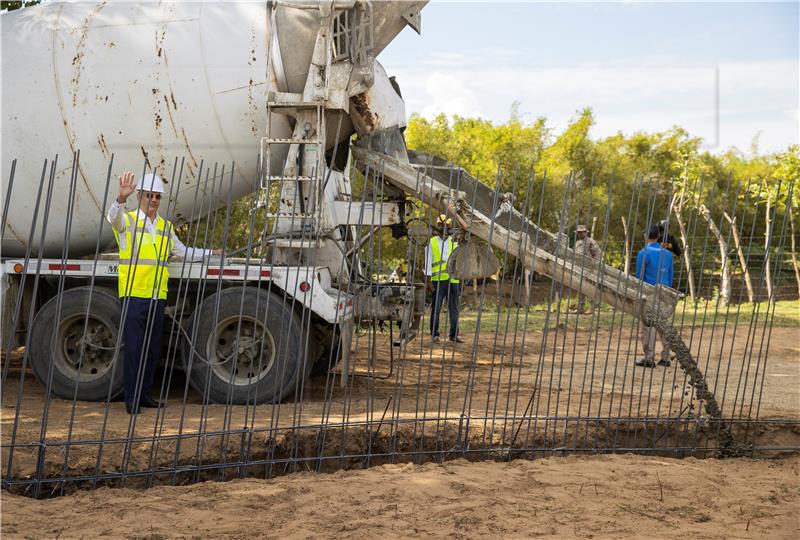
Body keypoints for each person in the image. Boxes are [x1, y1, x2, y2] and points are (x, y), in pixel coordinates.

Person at [107, 171, 221, 414]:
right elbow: (112, 218)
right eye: (150, 195)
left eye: (158, 196)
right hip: (134, 295)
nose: (154, 200)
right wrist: (120, 198)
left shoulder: (165, 227)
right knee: (135, 349)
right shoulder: (126, 221)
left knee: (152, 350)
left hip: (157, 298)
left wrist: (211, 253)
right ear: (140, 196)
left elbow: (182, 252)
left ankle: (145, 395)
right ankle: (132, 400)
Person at [635, 224, 674, 368]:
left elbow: (639, 276)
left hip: (649, 292)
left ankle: (649, 357)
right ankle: (665, 357)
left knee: (648, 325)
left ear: (646, 236)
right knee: (663, 323)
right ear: (658, 236)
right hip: (665, 292)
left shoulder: (643, 253)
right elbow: (670, 276)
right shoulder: (668, 254)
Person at [425, 214, 463, 344]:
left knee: (454, 308)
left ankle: (454, 335)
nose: (445, 229)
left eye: (447, 226)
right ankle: (435, 335)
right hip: (438, 280)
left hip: (453, 280)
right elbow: (428, 261)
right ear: (438, 227)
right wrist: (428, 280)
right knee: (436, 308)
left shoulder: (455, 241)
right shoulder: (432, 242)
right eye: (442, 226)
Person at [572, 224, 602, 313]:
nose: (580, 234)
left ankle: (592, 308)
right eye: (579, 232)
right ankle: (581, 307)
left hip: (589, 268)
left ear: (585, 232)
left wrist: (593, 266)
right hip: (579, 268)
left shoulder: (591, 242)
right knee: (580, 287)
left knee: (589, 288)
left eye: (582, 232)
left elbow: (598, 255)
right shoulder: (577, 243)